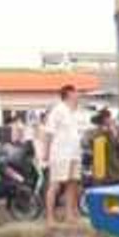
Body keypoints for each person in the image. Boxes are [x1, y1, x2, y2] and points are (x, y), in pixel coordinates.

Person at [44, 85, 83, 226]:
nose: (79, 94)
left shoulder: (77, 112)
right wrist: (45, 153)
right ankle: (50, 218)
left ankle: (69, 216)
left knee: (72, 185)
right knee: (55, 185)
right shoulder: (58, 110)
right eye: (76, 92)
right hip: (60, 154)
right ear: (69, 94)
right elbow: (49, 132)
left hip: (74, 153)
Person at [84, 108, 119, 183]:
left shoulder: (113, 130)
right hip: (103, 172)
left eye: (109, 117)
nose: (110, 119)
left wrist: (114, 131)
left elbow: (117, 144)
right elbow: (90, 143)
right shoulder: (94, 132)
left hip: (114, 171)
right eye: (107, 118)